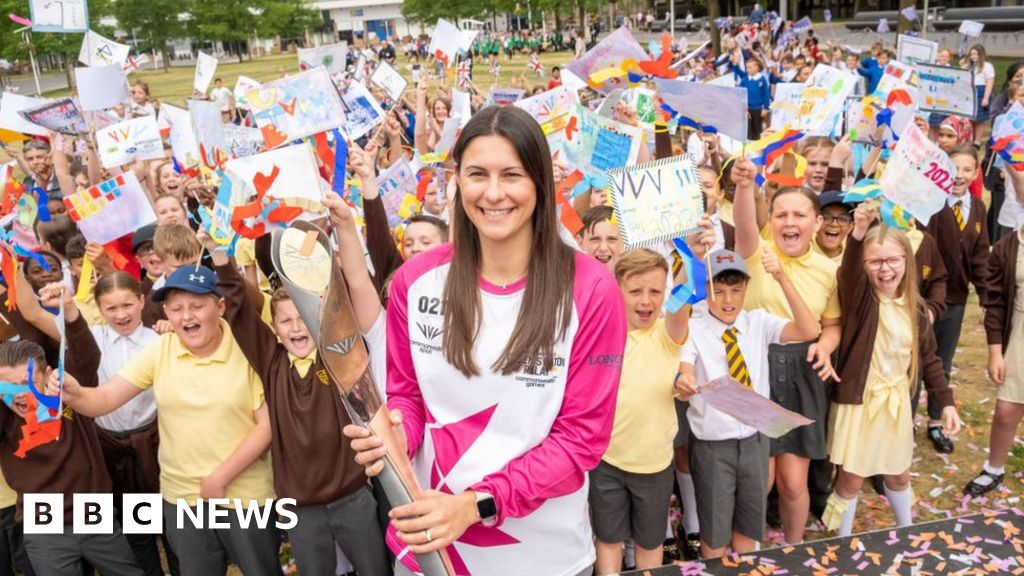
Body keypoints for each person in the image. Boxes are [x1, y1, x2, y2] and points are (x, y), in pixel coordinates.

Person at [344, 105, 627, 575]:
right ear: (458, 182)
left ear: (539, 182)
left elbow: (580, 442)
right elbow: (408, 397)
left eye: (511, 175)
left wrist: (474, 505)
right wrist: (393, 434)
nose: (493, 193)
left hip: (543, 558)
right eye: (477, 174)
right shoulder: (415, 281)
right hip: (428, 549)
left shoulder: (591, 289)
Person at [60, 265, 280, 576]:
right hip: (182, 497)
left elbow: (266, 426)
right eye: (176, 308)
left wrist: (220, 478)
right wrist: (74, 393)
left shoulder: (244, 347)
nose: (186, 316)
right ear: (165, 311)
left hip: (244, 496)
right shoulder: (161, 348)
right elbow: (105, 399)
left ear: (219, 307)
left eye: (197, 306)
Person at [207, 205, 392, 575]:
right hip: (300, 509)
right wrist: (219, 254)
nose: (296, 327)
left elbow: (341, 291)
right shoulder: (272, 363)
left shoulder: (337, 354)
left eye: (302, 316)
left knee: (376, 571)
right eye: (285, 320)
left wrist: (318, 236)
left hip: (353, 499)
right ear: (273, 328)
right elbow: (240, 308)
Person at [822, 205, 962, 537]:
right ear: (865, 265)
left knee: (898, 473)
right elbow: (849, 271)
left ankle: (907, 532)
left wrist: (947, 403)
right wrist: (857, 235)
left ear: (907, 262)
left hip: (895, 400)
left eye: (893, 260)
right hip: (861, 402)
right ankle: (841, 539)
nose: (885, 269)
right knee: (852, 477)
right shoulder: (861, 299)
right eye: (876, 261)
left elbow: (929, 361)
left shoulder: (915, 308)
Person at [676, 248, 820, 559]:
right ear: (706, 291)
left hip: (755, 442)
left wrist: (782, 277)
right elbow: (684, 370)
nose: (728, 300)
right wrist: (685, 382)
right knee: (714, 532)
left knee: (749, 528)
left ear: (746, 289)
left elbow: (810, 330)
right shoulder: (694, 326)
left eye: (736, 290)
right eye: (720, 291)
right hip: (714, 448)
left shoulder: (757, 322)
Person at [732, 157, 842, 546]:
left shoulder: (829, 270)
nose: (789, 223)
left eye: (799, 215)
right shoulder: (756, 253)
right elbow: (744, 224)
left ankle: (794, 550)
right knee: (760, 478)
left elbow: (831, 324)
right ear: (771, 221)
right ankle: (746, 550)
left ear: (816, 223)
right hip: (755, 371)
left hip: (801, 375)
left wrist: (826, 348)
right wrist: (745, 186)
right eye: (781, 215)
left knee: (794, 482)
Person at [1, 291, 144, 575]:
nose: (21, 393)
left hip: (94, 513)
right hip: (43, 526)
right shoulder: (5, 419)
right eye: (9, 386)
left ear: (46, 375)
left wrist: (69, 311)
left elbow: (87, 357)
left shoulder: (69, 396)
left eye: (29, 381)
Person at [591, 243, 702, 573]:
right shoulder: (602, 332)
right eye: (635, 290)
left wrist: (692, 253)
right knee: (609, 538)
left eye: (655, 291)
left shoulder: (668, 334)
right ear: (617, 289)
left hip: (653, 465)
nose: (646, 300)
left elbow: (684, 292)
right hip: (606, 460)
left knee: (650, 541)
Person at [923, 146, 991, 454]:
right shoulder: (930, 205)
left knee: (943, 361)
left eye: (966, 169)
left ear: (976, 172)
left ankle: (935, 421)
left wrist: (990, 299)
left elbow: (980, 257)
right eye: (953, 168)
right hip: (924, 299)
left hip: (956, 300)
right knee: (915, 360)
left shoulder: (977, 209)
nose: (959, 176)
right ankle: (902, 421)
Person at [969, 209, 1024, 496]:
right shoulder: (1007, 246)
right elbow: (995, 301)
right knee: (1006, 411)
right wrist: (995, 352)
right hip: (1019, 335)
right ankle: (994, 468)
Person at [964, 44, 995, 147]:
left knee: (979, 119)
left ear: (981, 54)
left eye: (976, 54)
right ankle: (970, 138)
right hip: (969, 91)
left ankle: (977, 141)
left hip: (981, 91)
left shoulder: (987, 66)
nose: (973, 56)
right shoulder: (970, 66)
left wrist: (986, 97)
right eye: (972, 54)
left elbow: (989, 82)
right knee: (970, 118)